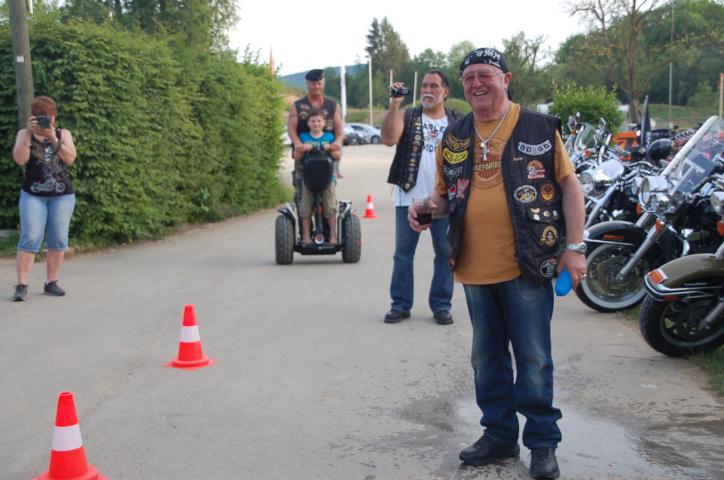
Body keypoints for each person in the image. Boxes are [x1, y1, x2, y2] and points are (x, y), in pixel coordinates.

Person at [409, 49, 586, 480]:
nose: (476, 84)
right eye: (469, 77)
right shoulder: (455, 136)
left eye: (485, 75)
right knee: (486, 360)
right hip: (473, 266)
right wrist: (425, 207)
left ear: (506, 79)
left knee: (534, 359)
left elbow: (570, 189)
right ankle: (500, 435)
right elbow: (446, 198)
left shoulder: (537, 126)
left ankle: (542, 443)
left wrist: (575, 247)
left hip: (528, 263)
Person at [381, 70, 462, 325]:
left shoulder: (457, 120)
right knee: (403, 255)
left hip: (443, 201)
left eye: (434, 86)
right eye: (424, 86)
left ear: (445, 91)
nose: (427, 90)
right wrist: (394, 105)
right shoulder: (409, 115)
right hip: (410, 198)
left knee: (445, 253)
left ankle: (441, 306)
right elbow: (388, 139)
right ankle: (400, 305)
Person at [12, 95, 78, 301]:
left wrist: (52, 138)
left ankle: (51, 282)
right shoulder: (24, 134)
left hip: (62, 195)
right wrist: (27, 135)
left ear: (54, 117)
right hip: (33, 194)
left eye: (48, 117)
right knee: (31, 236)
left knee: (58, 238)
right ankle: (21, 285)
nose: (45, 121)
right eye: (40, 117)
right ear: (33, 117)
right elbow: (20, 159)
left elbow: (70, 158)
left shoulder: (63, 134)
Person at [288, 69, 344, 201]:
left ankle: (330, 212)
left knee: (329, 195)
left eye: (319, 83)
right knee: (302, 195)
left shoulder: (332, 105)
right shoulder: (298, 105)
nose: (317, 86)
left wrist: (337, 143)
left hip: (326, 156)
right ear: (307, 84)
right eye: (313, 84)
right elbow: (291, 130)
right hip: (304, 156)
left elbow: (340, 131)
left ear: (323, 83)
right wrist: (298, 144)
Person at [294, 108, 340, 244]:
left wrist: (330, 148)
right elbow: (296, 156)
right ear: (308, 123)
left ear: (324, 123)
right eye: (313, 121)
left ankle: (332, 236)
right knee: (305, 207)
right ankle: (306, 236)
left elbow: (337, 156)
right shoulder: (303, 137)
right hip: (308, 179)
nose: (316, 124)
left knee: (330, 206)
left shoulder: (329, 137)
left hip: (327, 178)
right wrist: (302, 148)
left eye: (319, 121)